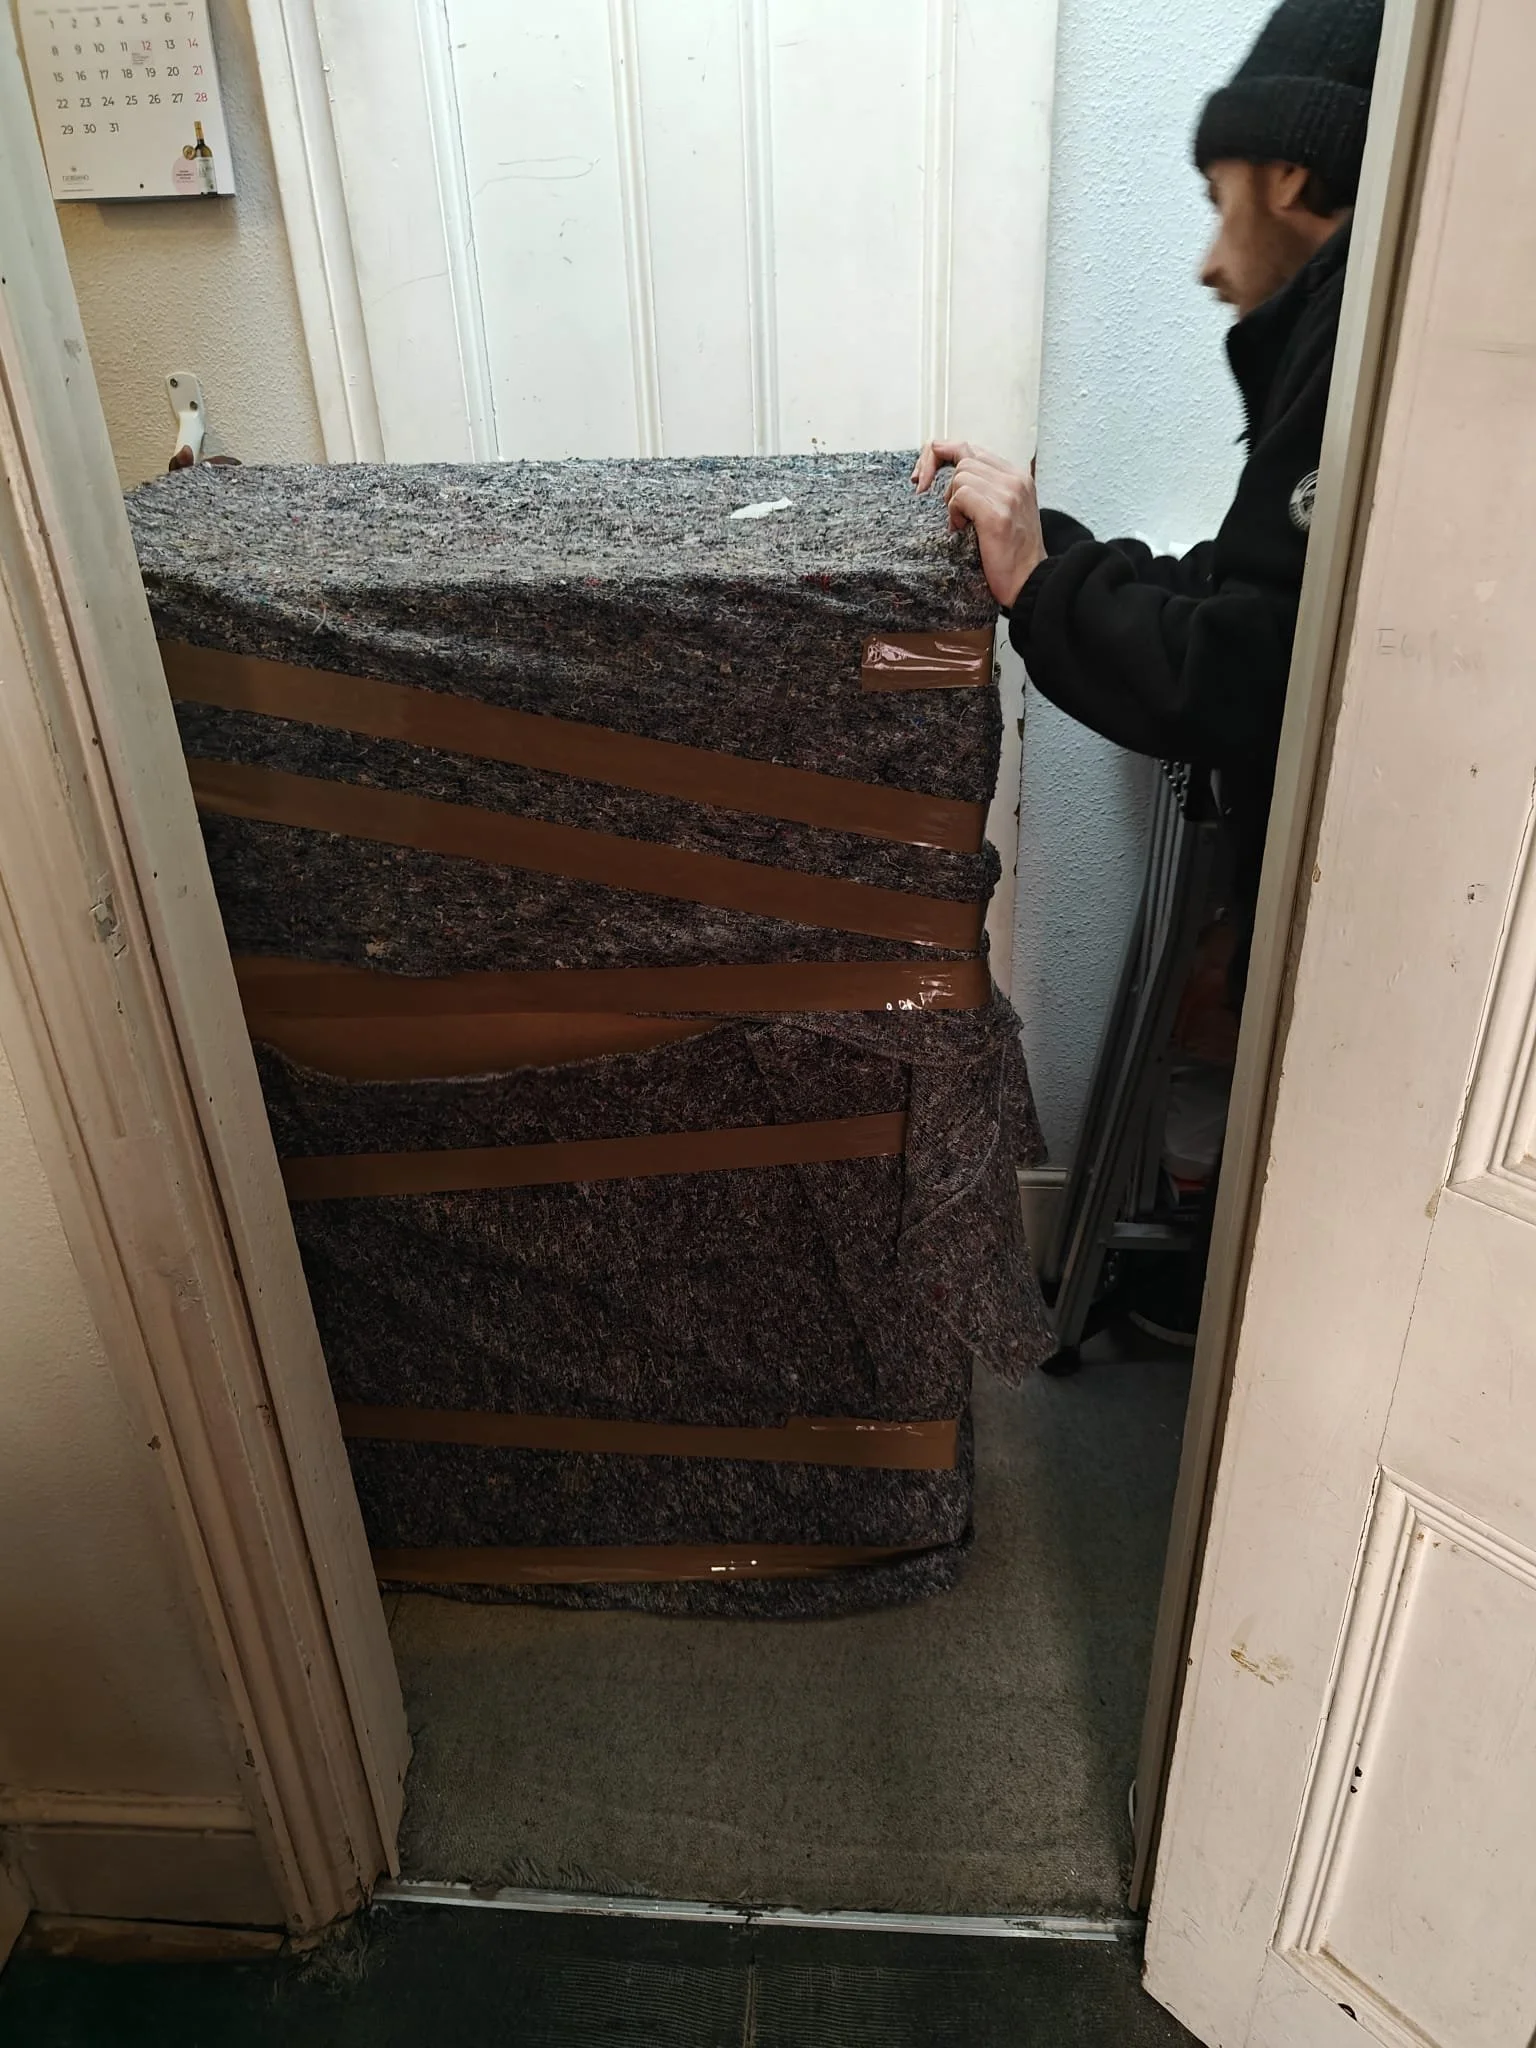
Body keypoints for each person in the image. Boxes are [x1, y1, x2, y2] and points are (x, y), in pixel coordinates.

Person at [915, 0, 1384, 1343]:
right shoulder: (1343, 330)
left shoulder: (1364, 341)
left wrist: (1040, 583)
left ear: (1291, 174)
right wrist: (1042, 551)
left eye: (1211, 191)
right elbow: (1254, 592)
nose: (1200, 258)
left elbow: (1237, 670)